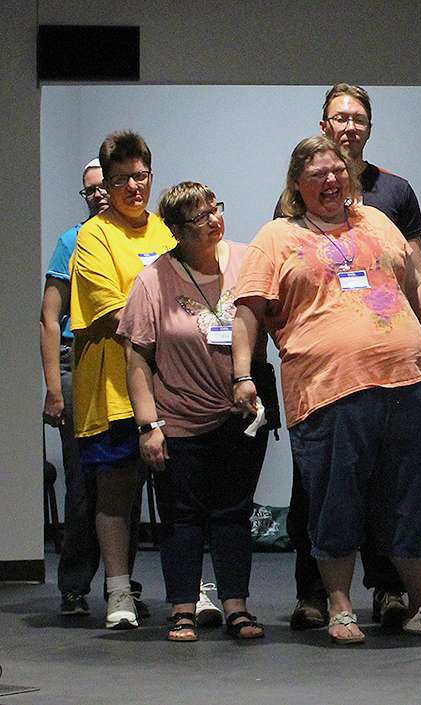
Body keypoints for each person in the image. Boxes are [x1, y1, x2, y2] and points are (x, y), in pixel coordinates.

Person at [232, 135, 421, 645]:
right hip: (327, 390)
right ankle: (338, 605)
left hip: (405, 381)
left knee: (409, 497)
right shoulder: (277, 237)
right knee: (336, 501)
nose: (332, 180)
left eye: (338, 171)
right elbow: (248, 310)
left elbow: (414, 286)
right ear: (297, 184)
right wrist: (244, 374)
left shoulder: (377, 223)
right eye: (318, 174)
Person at [282, 82, 421, 631]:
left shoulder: (395, 192)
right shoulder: (296, 200)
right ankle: (314, 596)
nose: (348, 127)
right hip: (326, 382)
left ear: (369, 127)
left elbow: (414, 273)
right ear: (324, 125)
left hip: (393, 370)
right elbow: (285, 279)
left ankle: (389, 591)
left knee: (388, 486)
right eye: (338, 118)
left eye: (358, 118)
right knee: (319, 490)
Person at [121, 182, 273, 641]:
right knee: (182, 516)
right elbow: (137, 360)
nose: (213, 219)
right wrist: (149, 425)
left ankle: (236, 607)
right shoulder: (154, 280)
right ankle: (182, 609)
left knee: (233, 512)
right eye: (199, 216)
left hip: (239, 416)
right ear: (177, 231)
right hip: (179, 418)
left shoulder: (247, 262)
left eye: (214, 208)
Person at [69, 132, 177, 630]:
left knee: (181, 492)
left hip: (173, 387)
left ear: (150, 176)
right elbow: (114, 312)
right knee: (114, 491)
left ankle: (191, 591)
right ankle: (118, 593)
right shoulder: (94, 237)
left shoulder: (168, 232)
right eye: (120, 180)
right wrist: (171, 326)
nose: (132, 186)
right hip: (112, 385)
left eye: (140, 176)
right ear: (105, 186)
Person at [42, 159, 115, 617]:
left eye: (104, 185)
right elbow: (50, 319)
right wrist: (54, 388)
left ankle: (120, 586)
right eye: (90, 190)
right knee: (84, 482)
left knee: (126, 478)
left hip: (128, 364)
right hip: (78, 363)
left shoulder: (142, 238)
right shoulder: (71, 242)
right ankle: (73, 586)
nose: (100, 195)